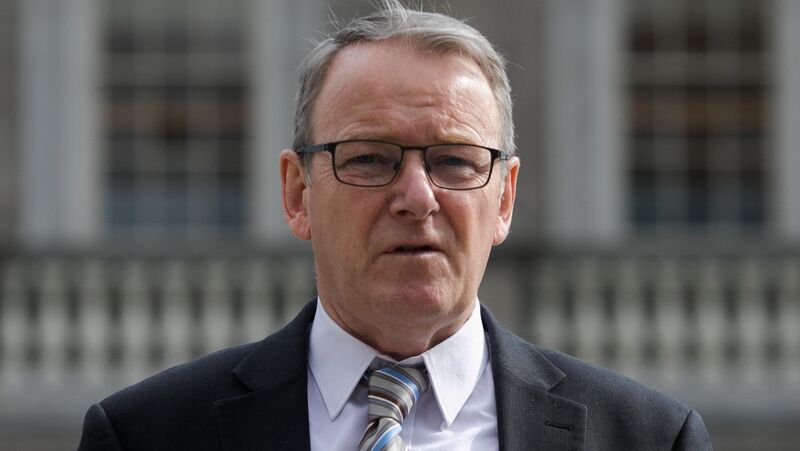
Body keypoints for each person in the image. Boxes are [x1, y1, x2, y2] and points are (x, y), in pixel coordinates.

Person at [78, 1, 712, 450]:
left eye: (456, 162)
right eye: (370, 159)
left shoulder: (648, 438)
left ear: (505, 200)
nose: (416, 197)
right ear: (298, 193)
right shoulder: (146, 435)